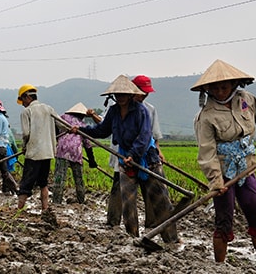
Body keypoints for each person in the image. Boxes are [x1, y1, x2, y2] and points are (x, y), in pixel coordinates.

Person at [192, 59, 256, 274]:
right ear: (208, 89)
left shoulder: (246, 100)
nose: (220, 91)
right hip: (223, 174)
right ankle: (219, 268)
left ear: (234, 84)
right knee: (224, 220)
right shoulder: (206, 116)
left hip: (247, 169)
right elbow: (207, 152)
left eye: (225, 86)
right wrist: (216, 182)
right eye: (215, 88)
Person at [73, 75, 179, 243]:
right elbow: (102, 130)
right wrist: (82, 130)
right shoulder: (114, 111)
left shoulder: (141, 111)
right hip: (125, 160)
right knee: (128, 202)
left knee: (160, 201)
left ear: (131, 94)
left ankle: (171, 240)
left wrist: (134, 155)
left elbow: (144, 136)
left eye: (124, 94)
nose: (121, 97)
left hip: (147, 158)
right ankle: (133, 238)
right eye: (118, 94)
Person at [132, 75, 174, 230]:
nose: (144, 95)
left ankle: (152, 224)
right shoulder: (121, 109)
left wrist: (158, 150)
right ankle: (124, 229)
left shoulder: (149, 109)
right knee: (125, 195)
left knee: (154, 191)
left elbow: (154, 134)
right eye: (141, 92)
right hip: (127, 157)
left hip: (148, 154)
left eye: (146, 92)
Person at [16, 84, 58, 211]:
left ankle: (18, 210)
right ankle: (45, 209)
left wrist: (24, 146)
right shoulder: (49, 109)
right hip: (47, 153)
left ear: (26, 97)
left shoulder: (27, 111)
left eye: (22, 100)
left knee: (25, 184)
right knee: (43, 183)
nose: (23, 104)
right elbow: (61, 124)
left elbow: (26, 133)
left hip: (34, 153)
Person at [52, 102, 96, 205]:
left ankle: (56, 201)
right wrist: (91, 160)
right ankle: (81, 200)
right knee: (78, 178)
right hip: (76, 152)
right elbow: (87, 144)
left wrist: (57, 137)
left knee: (59, 177)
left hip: (62, 151)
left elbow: (55, 128)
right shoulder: (83, 125)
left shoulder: (63, 118)